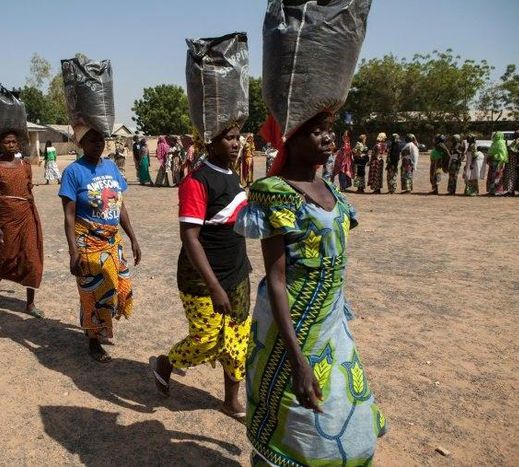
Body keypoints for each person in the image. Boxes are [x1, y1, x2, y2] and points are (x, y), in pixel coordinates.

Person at [236, 112, 386, 466]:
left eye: (328, 131)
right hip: (290, 326)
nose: (327, 138)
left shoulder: (330, 188)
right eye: (315, 132)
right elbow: (276, 279)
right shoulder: (274, 192)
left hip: (332, 321)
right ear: (290, 142)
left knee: (348, 411)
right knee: (294, 414)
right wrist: (297, 360)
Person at [150, 125, 251, 419]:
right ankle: (165, 364)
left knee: (237, 340)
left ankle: (231, 401)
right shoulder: (197, 180)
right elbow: (190, 237)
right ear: (210, 142)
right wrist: (214, 285)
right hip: (201, 278)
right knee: (206, 338)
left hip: (237, 272)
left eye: (237, 138)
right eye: (229, 139)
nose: (236, 144)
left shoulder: (232, 175)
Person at [59, 127, 141, 363]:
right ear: (81, 143)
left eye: (100, 139)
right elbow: (69, 215)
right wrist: (73, 250)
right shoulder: (74, 172)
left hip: (112, 239)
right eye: (91, 139)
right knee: (93, 293)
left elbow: (120, 206)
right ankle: (93, 339)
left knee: (119, 286)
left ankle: (102, 325)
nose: (98, 143)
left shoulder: (111, 167)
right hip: (88, 242)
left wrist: (133, 238)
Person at [0, 132, 44, 318]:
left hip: (27, 214)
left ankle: (30, 304)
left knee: (32, 258)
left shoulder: (25, 165)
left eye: (14, 142)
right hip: (6, 216)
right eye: (6, 142)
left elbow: (28, 189)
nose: (11, 145)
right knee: (8, 256)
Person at [487, 131, 509, 196]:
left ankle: (495, 191)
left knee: (495, 176)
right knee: (495, 176)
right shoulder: (497, 142)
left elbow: (501, 153)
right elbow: (504, 153)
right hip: (495, 161)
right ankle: (494, 191)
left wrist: (492, 156)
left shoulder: (498, 143)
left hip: (497, 161)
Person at [505, 130, 519, 195]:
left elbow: (513, 150)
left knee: (511, 176)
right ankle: (512, 190)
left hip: (513, 161)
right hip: (517, 161)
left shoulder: (517, 141)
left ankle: (510, 191)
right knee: (515, 176)